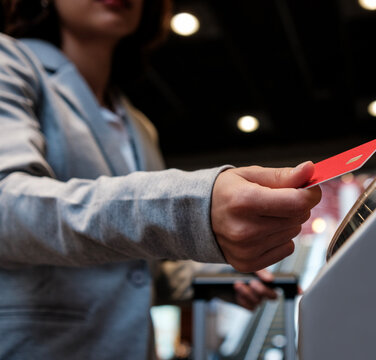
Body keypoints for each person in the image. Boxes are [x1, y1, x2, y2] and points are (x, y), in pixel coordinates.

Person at [0, 0, 322, 358]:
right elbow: (6, 207)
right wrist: (187, 210)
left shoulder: (138, 125)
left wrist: (213, 280)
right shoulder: (9, 62)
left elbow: (136, 268)